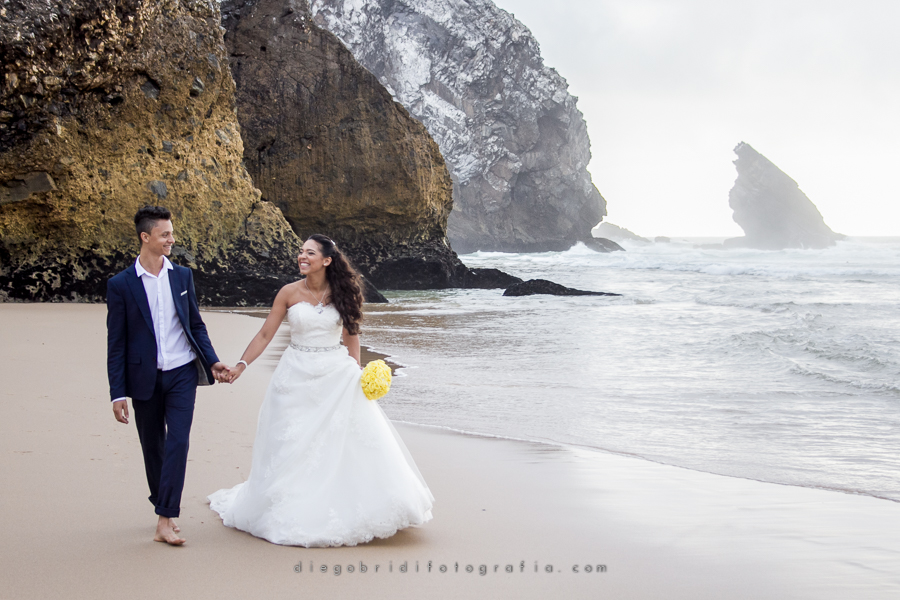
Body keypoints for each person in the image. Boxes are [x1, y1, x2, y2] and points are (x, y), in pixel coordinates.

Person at [207, 234, 433, 546]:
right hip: (294, 378)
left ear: (326, 260)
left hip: (334, 375)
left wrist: (356, 373)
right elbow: (264, 334)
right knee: (291, 442)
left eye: (309, 253)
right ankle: (290, 504)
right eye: (301, 252)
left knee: (340, 441)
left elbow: (352, 336)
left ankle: (346, 503)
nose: (302, 256)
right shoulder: (288, 292)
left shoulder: (344, 292)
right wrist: (241, 365)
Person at [107, 205, 230, 545]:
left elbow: (195, 325)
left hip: (181, 373)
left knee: (178, 441)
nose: (171, 239)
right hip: (143, 377)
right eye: (165, 234)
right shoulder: (120, 284)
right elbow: (116, 343)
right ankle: (162, 506)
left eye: (171, 233)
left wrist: (213, 361)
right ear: (146, 237)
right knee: (153, 447)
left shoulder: (182, 276)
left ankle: (165, 517)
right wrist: (117, 392)